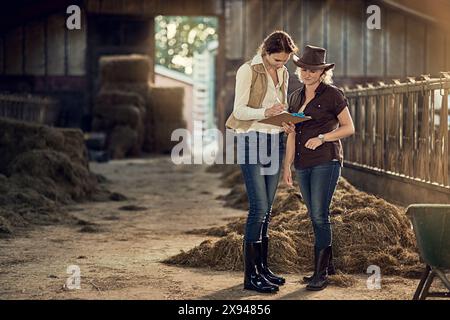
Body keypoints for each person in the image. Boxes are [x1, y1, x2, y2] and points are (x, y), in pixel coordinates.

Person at [225, 30, 298, 293]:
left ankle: (262, 269)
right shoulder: (248, 70)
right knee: (258, 207)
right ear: (266, 52)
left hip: (274, 140)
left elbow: (280, 106)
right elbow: (239, 110)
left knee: (268, 208)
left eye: (285, 61)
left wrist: (287, 120)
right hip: (251, 139)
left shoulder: (285, 73)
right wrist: (266, 112)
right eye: (277, 60)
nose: (281, 65)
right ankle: (250, 277)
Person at [283, 45, 355, 291]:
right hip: (303, 164)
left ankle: (320, 274)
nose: (307, 74)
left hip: (327, 160)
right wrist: (287, 166)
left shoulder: (333, 95)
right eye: (303, 69)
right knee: (314, 214)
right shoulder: (294, 97)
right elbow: (291, 135)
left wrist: (324, 137)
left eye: (313, 70)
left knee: (319, 214)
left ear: (322, 72)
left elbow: (348, 127)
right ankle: (328, 267)